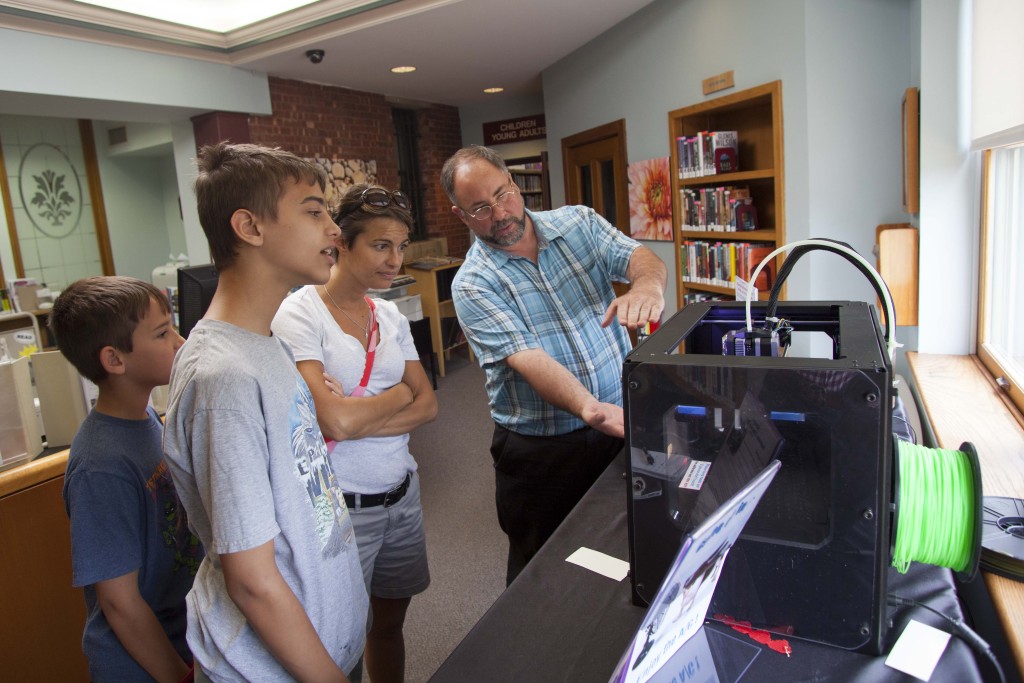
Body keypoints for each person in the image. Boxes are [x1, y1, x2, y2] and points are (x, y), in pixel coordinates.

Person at [162, 142, 368, 682]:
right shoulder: (222, 378)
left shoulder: (266, 341)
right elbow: (252, 578)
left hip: (322, 642)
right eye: (314, 210)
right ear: (250, 227)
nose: (333, 230)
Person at [441, 145, 667, 584]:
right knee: (540, 572)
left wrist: (646, 286)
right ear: (460, 215)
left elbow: (640, 258)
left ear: (512, 181)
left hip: (617, 425)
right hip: (540, 453)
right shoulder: (472, 284)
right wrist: (590, 408)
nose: (500, 213)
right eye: (480, 208)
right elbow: (529, 359)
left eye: (503, 194)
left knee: (625, 551)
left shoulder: (577, 223)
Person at [273, 183, 437, 683]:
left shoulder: (388, 314)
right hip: (340, 508)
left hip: (401, 495)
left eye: (401, 246)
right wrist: (392, 399)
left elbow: (428, 403)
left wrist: (356, 407)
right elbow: (333, 422)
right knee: (337, 641)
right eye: (381, 245)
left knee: (388, 626)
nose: (395, 260)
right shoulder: (299, 313)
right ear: (342, 242)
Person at [51, 275, 203, 682]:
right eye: (162, 333)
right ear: (115, 360)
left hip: (181, 638)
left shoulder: (146, 418)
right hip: (141, 665)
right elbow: (119, 603)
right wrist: (177, 676)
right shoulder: (100, 466)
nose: (180, 341)